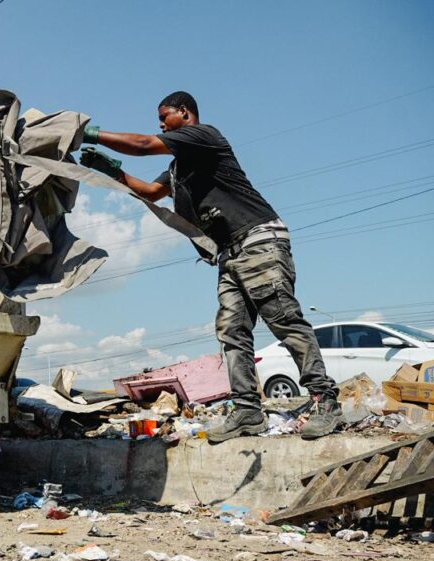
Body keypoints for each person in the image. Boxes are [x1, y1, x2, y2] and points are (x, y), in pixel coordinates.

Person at [78, 91, 341, 442]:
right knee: (232, 331)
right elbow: (153, 192)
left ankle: (326, 402)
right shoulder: (178, 167)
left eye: (164, 116)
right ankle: (248, 411)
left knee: (282, 318)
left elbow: (142, 144)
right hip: (229, 251)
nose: (160, 124)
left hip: (258, 238)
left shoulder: (204, 137)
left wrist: (89, 133)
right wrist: (113, 172)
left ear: (185, 113)